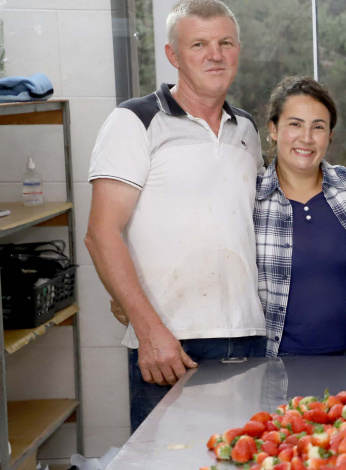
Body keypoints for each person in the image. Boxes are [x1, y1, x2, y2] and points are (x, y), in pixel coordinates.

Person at [85, 0, 265, 432]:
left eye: (225, 42)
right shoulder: (134, 120)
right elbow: (100, 233)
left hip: (249, 336)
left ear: (238, 49)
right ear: (173, 55)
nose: (215, 54)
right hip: (171, 344)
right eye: (198, 44)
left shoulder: (248, 129)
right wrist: (149, 331)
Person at [255, 75, 346, 357]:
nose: (306, 138)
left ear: (329, 135)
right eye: (295, 124)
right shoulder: (250, 199)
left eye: (318, 127)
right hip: (275, 366)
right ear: (273, 129)